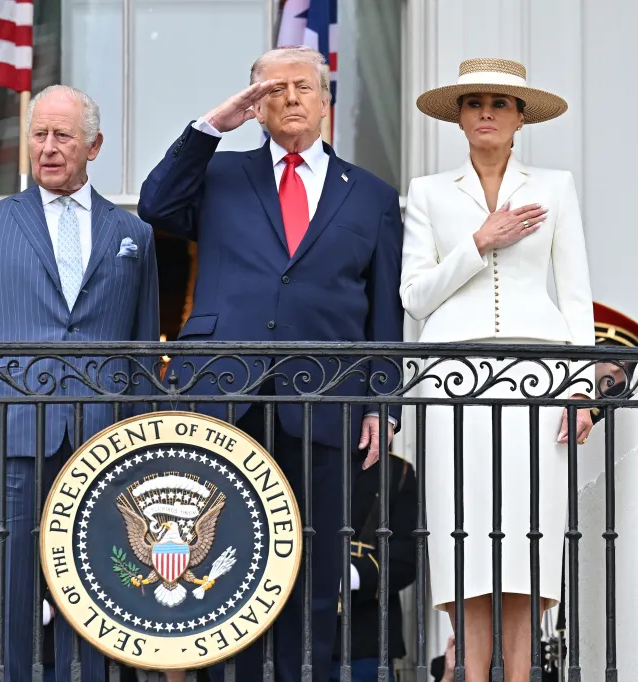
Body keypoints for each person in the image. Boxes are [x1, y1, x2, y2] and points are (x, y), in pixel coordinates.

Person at [138, 45, 404, 682]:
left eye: (304, 87)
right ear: (254, 105)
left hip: (325, 401)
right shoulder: (221, 175)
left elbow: (384, 315)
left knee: (310, 574)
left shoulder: (371, 195)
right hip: (227, 395)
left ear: (325, 102)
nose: (290, 98)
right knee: (221, 569)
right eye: (274, 89)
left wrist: (381, 405)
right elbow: (155, 203)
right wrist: (211, 128)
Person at [0, 84, 159, 682]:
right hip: (7, 430)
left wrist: (141, 438)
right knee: (10, 588)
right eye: (39, 135)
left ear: (94, 144)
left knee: (93, 590)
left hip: (103, 439)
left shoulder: (132, 235)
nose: (48, 147)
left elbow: (142, 348)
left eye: (62, 135)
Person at [401, 59, 595, 682]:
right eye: (474, 101)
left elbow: (575, 296)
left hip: (538, 379)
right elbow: (415, 295)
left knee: (526, 539)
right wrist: (480, 241)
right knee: (464, 540)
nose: (486, 111)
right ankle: (469, 672)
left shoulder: (555, 187)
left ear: (519, 119)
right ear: (458, 117)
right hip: (452, 378)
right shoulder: (430, 192)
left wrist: (582, 388)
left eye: (500, 102)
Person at [330, 453, 418, 682]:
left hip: (366, 638)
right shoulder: (297, 460)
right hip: (299, 634)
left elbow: (408, 555)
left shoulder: (397, 471)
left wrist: (352, 576)